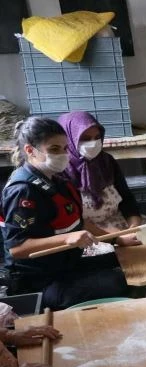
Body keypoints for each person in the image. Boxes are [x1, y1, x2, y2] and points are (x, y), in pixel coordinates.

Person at [1, 117, 128, 310]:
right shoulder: (22, 191)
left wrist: (118, 240)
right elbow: (17, 248)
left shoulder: (59, 181)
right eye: (54, 149)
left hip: (65, 264)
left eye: (65, 148)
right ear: (30, 150)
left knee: (124, 259)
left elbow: (79, 223)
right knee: (119, 280)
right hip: (39, 281)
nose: (62, 154)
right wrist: (67, 239)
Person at [57, 111, 143, 247]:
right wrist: (116, 238)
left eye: (97, 137)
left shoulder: (107, 162)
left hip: (121, 224)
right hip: (88, 235)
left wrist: (134, 227)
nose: (93, 143)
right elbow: (73, 221)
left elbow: (127, 199)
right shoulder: (60, 171)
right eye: (85, 138)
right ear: (69, 139)